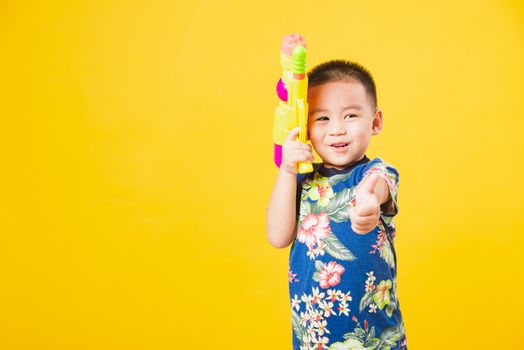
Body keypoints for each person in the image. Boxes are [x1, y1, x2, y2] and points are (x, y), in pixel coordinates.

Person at [266, 60, 408, 349]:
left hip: (375, 340)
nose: (337, 130)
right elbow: (277, 236)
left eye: (351, 116)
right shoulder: (302, 181)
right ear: (305, 127)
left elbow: (379, 186)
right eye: (322, 119)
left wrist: (369, 203)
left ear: (375, 121)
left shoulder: (374, 174)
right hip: (314, 339)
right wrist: (286, 170)